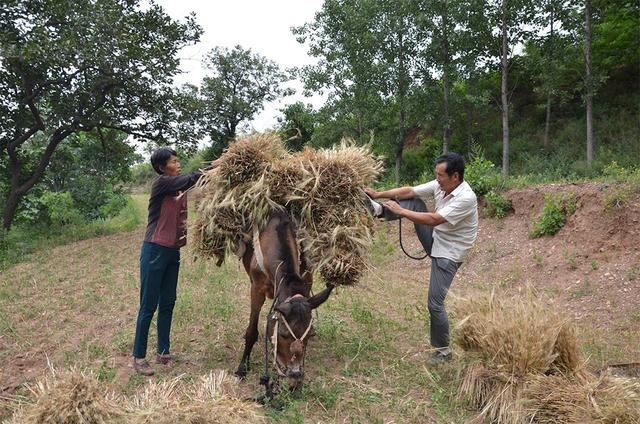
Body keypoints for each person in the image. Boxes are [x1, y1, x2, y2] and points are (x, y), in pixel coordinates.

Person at [364, 152, 478, 366]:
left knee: (435, 303)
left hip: (449, 253)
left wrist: (400, 211)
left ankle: (443, 352)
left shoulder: (466, 197)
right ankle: (377, 211)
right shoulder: (442, 185)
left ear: (455, 176)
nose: (437, 179)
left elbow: (434, 219)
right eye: (436, 175)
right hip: (437, 238)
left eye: (440, 175)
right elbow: (409, 190)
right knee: (414, 201)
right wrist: (378, 194)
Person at [132, 147, 206, 376]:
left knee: (168, 302)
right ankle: (139, 356)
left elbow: (190, 184)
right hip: (155, 250)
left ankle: (163, 351)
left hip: (173, 251)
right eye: (174, 161)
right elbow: (189, 180)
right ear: (162, 168)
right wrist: (208, 170)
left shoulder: (177, 186)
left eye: (178, 159)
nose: (178, 164)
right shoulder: (162, 183)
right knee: (148, 306)